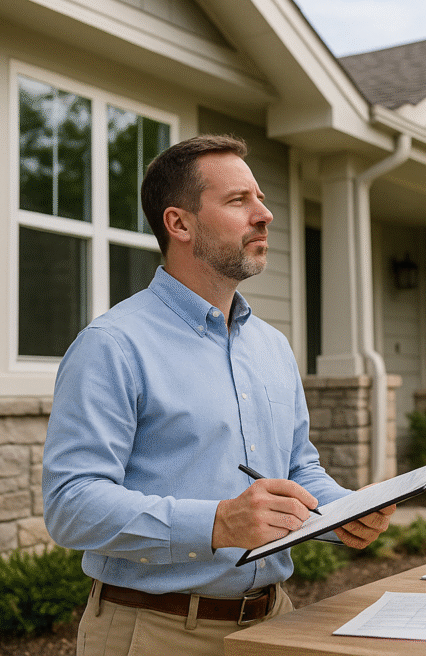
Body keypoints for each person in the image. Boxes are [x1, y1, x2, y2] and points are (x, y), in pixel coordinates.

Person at [42, 134, 394, 656]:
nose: (264, 215)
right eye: (238, 201)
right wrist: (217, 523)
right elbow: (71, 506)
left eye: (261, 198)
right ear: (179, 223)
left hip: (276, 623)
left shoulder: (272, 346)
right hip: (153, 632)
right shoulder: (113, 345)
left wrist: (345, 512)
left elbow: (297, 470)